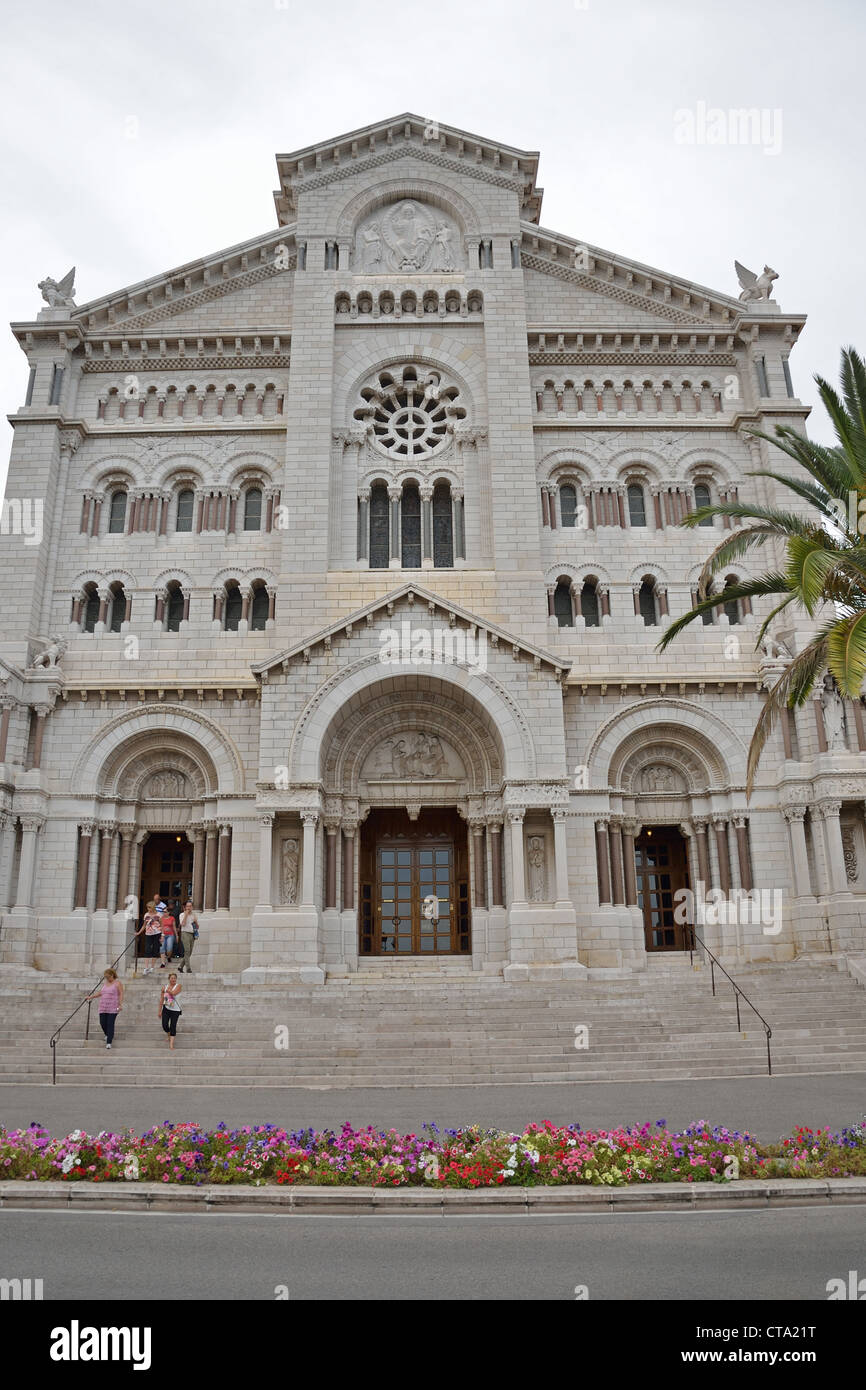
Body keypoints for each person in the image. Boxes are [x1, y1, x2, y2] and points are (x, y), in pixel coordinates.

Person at [86, 968, 124, 1050]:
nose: (107, 979)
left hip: (113, 1007)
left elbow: (121, 994)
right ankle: (108, 1034)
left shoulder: (117, 983)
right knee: (102, 1022)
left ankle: (109, 1042)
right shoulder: (105, 983)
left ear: (112, 975)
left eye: (108, 977)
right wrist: (91, 997)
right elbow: (101, 993)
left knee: (110, 1024)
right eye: (106, 977)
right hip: (103, 1006)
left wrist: (120, 1004)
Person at [159, 973, 182, 1050]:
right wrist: (159, 1011)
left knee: (173, 1026)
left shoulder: (178, 986)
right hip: (166, 1008)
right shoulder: (165, 986)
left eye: (175, 978)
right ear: (169, 979)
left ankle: (171, 1044)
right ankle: (168, 1034)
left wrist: (165, 990)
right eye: (172, 978)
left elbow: (173, 993)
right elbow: (162, 999)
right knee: (164, 1025)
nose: (173, 979)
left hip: (175, 1010)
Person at [140, 900, 162, 975]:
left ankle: (152, 967)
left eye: (149, 907)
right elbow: (144, 925)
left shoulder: (159, 914)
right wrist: (139, 932)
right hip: (148, 934)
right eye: (147, 907)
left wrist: (163, 935)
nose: (148, 909)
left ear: (153, 907)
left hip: (157, 933)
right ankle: (146, 968)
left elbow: (162, 925)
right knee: (147, 949)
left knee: (155, 950)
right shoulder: (146, 915)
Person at [178, 900, 199, 973]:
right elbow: (182, 924)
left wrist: (196, 922)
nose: (189, 908)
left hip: (192, 934)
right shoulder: (182, 915)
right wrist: (186, 915)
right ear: (185, 907)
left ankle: (180, 966)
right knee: (187, 951)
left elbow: (197, 927)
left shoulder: (193, 915)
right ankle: (188, 968)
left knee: (189, 952)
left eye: (190, 906)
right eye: (187, 906)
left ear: (192, 907)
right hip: (185, 933)